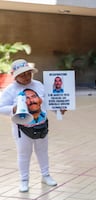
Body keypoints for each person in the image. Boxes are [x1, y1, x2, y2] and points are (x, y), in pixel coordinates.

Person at [0, 59, 60, 192]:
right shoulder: (10, 89)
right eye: (22, 75)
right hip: (22, 129)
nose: (26, 77)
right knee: (24, 154)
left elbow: (48, 102)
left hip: (41, 126)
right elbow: (1, 107)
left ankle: (46, 175)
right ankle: (24, 180)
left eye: (28, 73)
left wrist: (59, 110)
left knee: (43, 152)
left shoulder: (39, 85)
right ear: (15, 76)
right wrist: (13, 109)